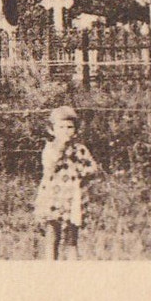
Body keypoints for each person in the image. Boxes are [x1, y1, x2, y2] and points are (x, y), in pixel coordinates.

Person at [34, 105, 100, 259]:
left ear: (76, 130)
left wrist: (83, 172)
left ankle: (72, 270)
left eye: (70, 127)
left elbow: (93, 168)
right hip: (53, 198)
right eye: (61, 127)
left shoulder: (80, 149)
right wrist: (61, 147)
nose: (65, 130)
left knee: (72, 238)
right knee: (52, 236)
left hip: (73, 199)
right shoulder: (50, 148)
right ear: (52, 130)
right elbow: (50, 165)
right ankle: (51, 269)